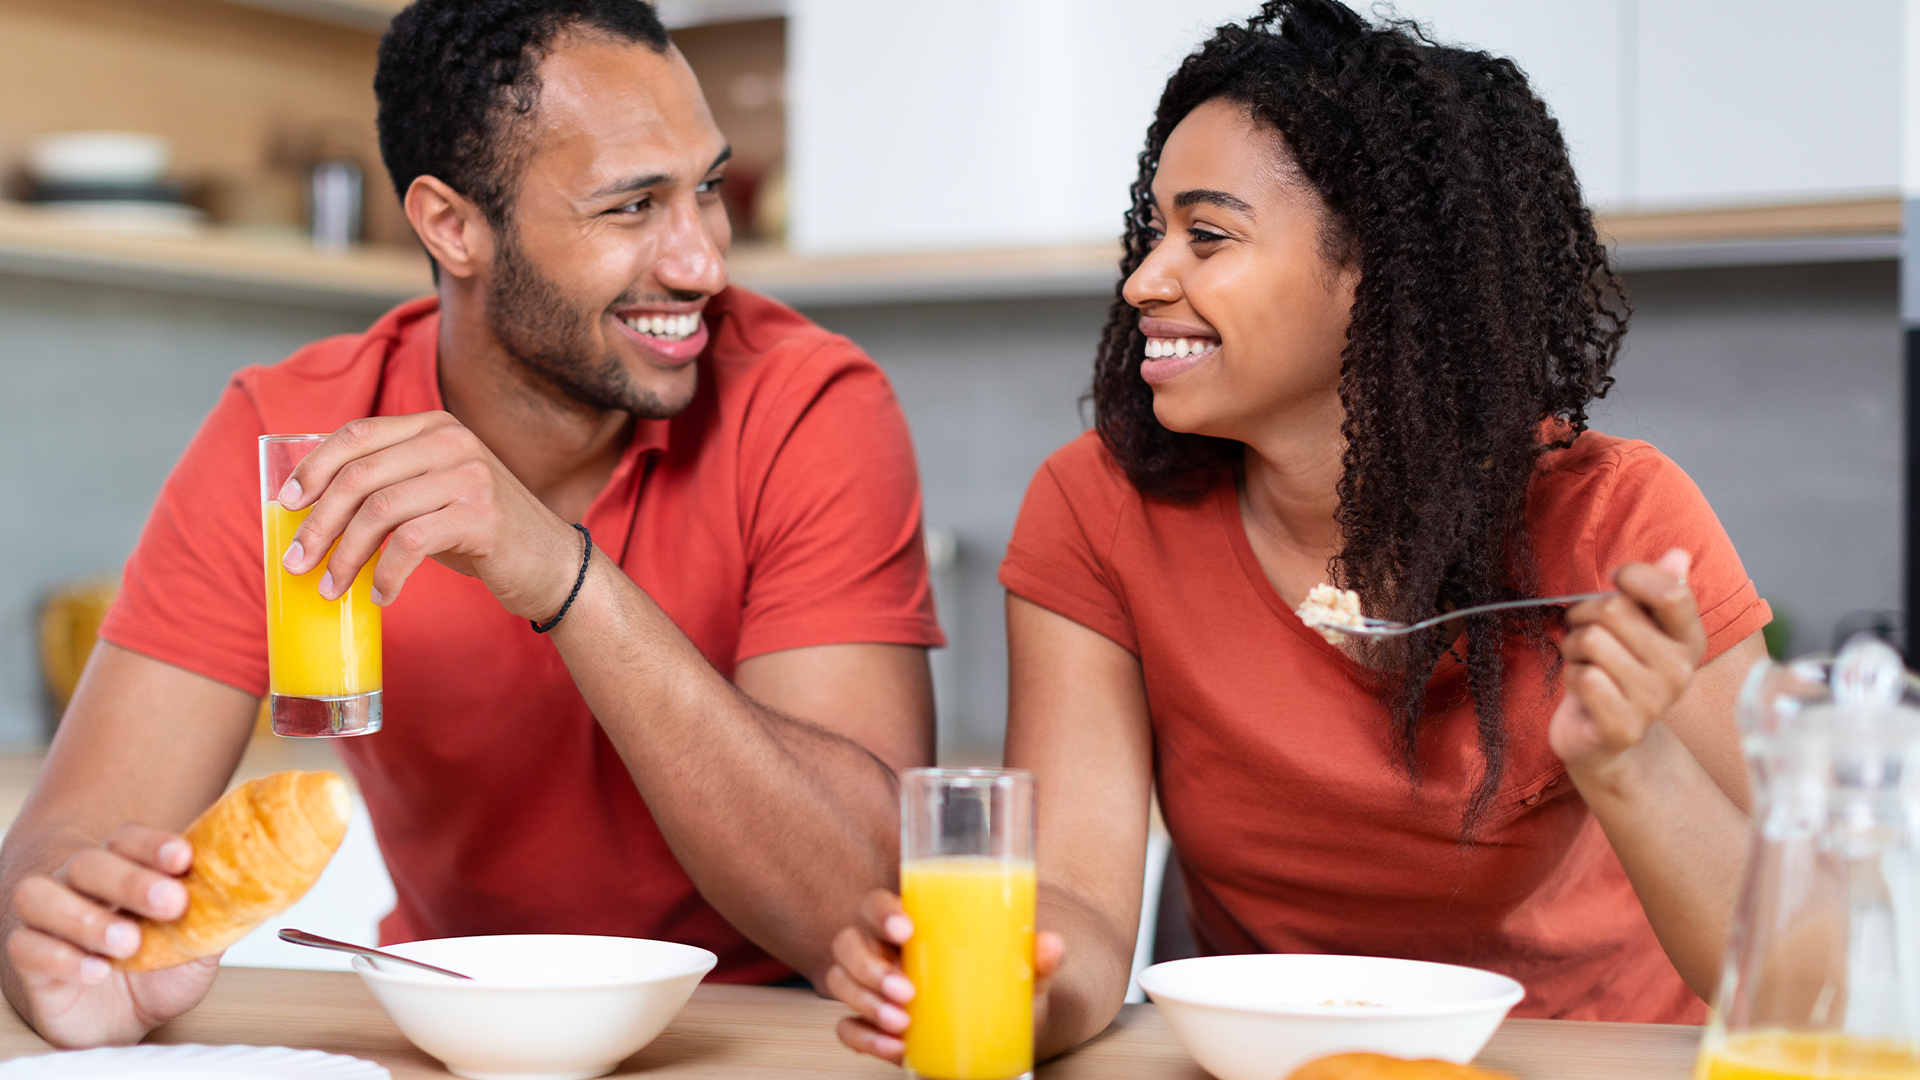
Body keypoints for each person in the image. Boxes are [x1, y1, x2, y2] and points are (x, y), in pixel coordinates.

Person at [827, 0, 1770, 1063]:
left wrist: (1634, 764)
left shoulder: (1612, 522)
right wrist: (1004, 990)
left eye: (1208, 236)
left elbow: (1799, 959)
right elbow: (1082, 908)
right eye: (1153, 229)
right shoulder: (1097, 511)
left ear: (1381, 269)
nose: (1145, 278)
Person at [0, 0, 943, 1049]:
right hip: (445, 1040)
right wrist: (72, 942)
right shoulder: (292, 438)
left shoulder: (808, 404)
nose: (703, 262)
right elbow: (64, 848)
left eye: (708, 189)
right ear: (453, 226)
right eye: (633, 207)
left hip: (772, 1037)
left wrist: (563, 581)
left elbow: (870, 909)